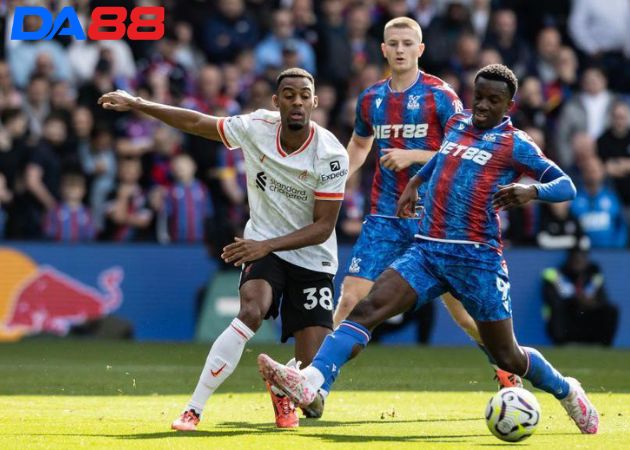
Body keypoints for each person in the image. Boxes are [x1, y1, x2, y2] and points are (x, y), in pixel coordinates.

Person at [258, 64, 600, 435]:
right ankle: (312, 381)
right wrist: (415, 183)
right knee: (367, 308)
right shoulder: (458, 125)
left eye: (493, 100)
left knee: (508, 356)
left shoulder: (515, 143)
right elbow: (442, 158)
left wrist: (531, 191)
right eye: (479, 97)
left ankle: (568, 391)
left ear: (510, 105)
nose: (482, 106)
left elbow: (566, 185)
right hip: (429, 251)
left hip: (477, 260)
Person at [98, 67, 349, 429]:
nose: (297, 102)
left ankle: (283, 385)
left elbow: (323, 226)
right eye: (289, 95)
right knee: (250, 311)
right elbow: (198, 122)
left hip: (312, 258)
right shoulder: (255, 128)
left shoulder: (330, 154)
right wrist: (138, 103)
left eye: (304, 95)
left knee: (311, 400)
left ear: (315, 101)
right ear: (276, 102)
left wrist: (265, 245)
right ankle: (194, 408)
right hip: (263, 246)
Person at [335, 16, 521, 389]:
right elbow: (359, 143)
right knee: (350, 298)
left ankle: (506, 370)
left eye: (407, 43)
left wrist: (413, 156)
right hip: (386, 214)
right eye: (393, 43)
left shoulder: (441, 96)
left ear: (420, 49)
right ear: (383, 49)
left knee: (466, 317)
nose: (400, 49)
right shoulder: (370, 98)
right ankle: (313, 381)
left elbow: (464, 149)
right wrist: (338, 174)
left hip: (434, 219)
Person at [542, 247, 618, 346]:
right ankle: (561, 343)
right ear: (569, 259)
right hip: (568, 319)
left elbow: (603, 299)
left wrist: (591, 302)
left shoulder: (593, 277)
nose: (579, 261)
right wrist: (575, 300)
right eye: (575, 258)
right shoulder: (557, 276)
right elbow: (551, 299)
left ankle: (603, 345)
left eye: (582, 257)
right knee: (558, 309)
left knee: (611, 310)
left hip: (588, 318)